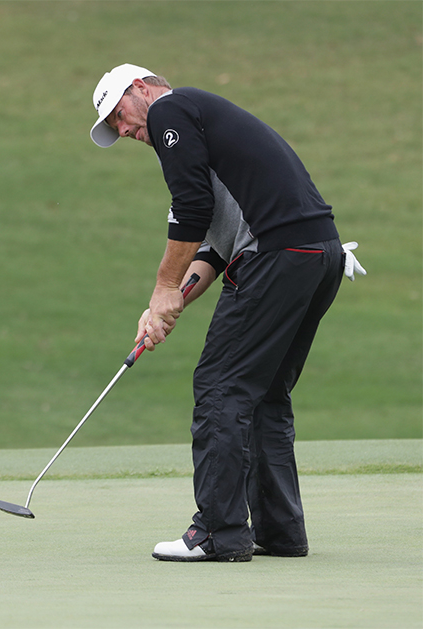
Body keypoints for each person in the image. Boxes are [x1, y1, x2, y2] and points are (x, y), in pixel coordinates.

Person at [89, 64, 365, 562]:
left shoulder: (171, 108)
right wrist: (164, 309)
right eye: (114, 127)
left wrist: (163, 287)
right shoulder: (203, 131)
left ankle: (217, 532)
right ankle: (280, 532)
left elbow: (190, 209)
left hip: (278, 256)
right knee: (264, 394)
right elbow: (216, 249)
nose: (124, 130)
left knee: (220, 386)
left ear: (140, 88)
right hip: (316, 255)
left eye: (119, 115)